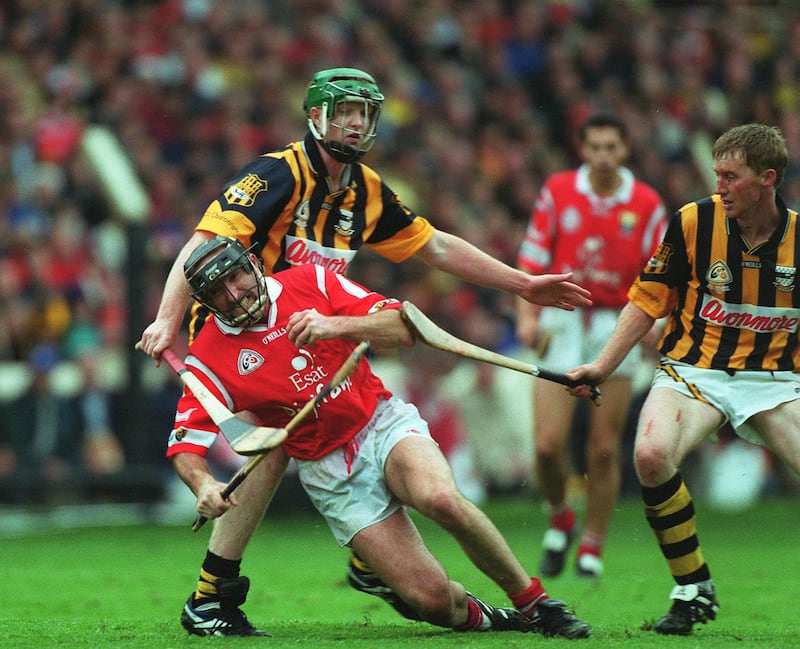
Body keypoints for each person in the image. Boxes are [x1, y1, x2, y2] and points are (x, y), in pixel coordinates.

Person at [137, 67, 592, 627]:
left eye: (364, 113)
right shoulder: (276, 175)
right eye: (343, 112)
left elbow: (437, 247)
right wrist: (167, 319)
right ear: (316, 117)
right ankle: (215, 595)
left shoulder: (365, 192)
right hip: (238, 337)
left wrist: (524, 284)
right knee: (272, 443)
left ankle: (238, 589)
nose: (355, 124)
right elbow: (204, 244)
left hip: (318, 328)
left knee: (316, 444)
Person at [169, 235, 592, 639]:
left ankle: (537, 603)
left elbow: (402, 329)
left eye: (235, 276)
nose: (234, 292)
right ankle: (492, 616)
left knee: (440, 498)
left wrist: (333, 326)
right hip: (330, 473)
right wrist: (204, 484)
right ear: (205, 304)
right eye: (218, 290)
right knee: (435, 604)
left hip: (380, 423)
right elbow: (185, 445)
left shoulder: (309, 280)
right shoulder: (209, 356)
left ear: (254, 264)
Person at [565, 122, 800, 634]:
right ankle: (692, 588)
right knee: (651, 455)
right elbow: (647, 299)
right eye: (717, 174)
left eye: (731, 177)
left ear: (767, 178)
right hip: (694, 371)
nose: (719, 186)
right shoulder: (694, 221)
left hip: (776, 380)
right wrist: (602, 365)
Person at [515, 112, 667, 578]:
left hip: (614, 324)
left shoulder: (646, 203)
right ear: (583, 150)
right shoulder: (558, 191)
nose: (603, 156)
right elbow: (534, 255)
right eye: (595, 147)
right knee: (546, 446)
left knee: (603, 448)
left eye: (611, 147)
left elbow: (661, 273)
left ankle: (592, 546)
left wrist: (654, 326)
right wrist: (526, 317)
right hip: (562, 320)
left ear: (625, 150)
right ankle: (560, 514)